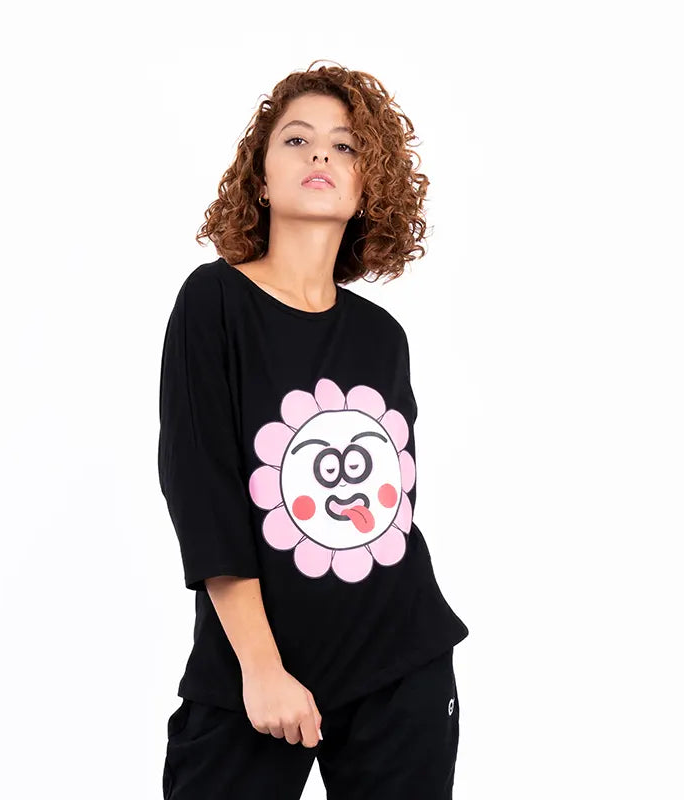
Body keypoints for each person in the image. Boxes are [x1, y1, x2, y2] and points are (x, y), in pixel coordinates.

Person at [157, 60, 470, 799]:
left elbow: (391, 511)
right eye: (297, 140)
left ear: (367, 187)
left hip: (400, 664)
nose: (321, 155)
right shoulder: (214, 301)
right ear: (261, 177)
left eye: (345, 145)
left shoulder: (381, 337)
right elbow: (202, 493)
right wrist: (262, 669)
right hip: (256, 672)